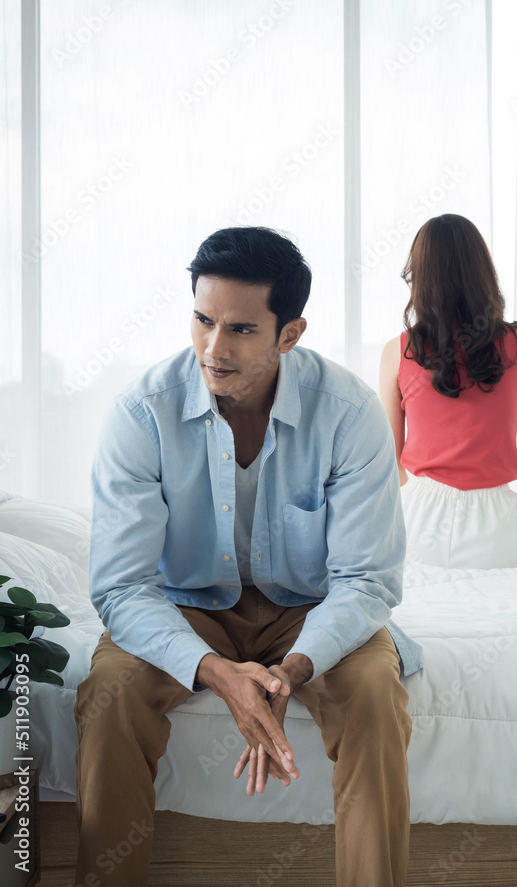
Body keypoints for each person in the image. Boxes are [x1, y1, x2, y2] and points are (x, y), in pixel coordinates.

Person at [75, 226, 422, 887]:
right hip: (185, 605)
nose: (214, 347)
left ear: (290, 334)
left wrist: (288, 672)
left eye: (240, 329)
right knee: (109, 694)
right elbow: (122, 587)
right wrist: (216, 672)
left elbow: (366, 580)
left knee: (376, 694)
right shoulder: (142, 414)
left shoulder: (349, 414)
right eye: (203, 320)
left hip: (312, 608)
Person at [378, 214, 517, 570]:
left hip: (419, 523)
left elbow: (390, 461)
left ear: (419, 276)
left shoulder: (398, 351)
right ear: (482, 271)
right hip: (496, 529)